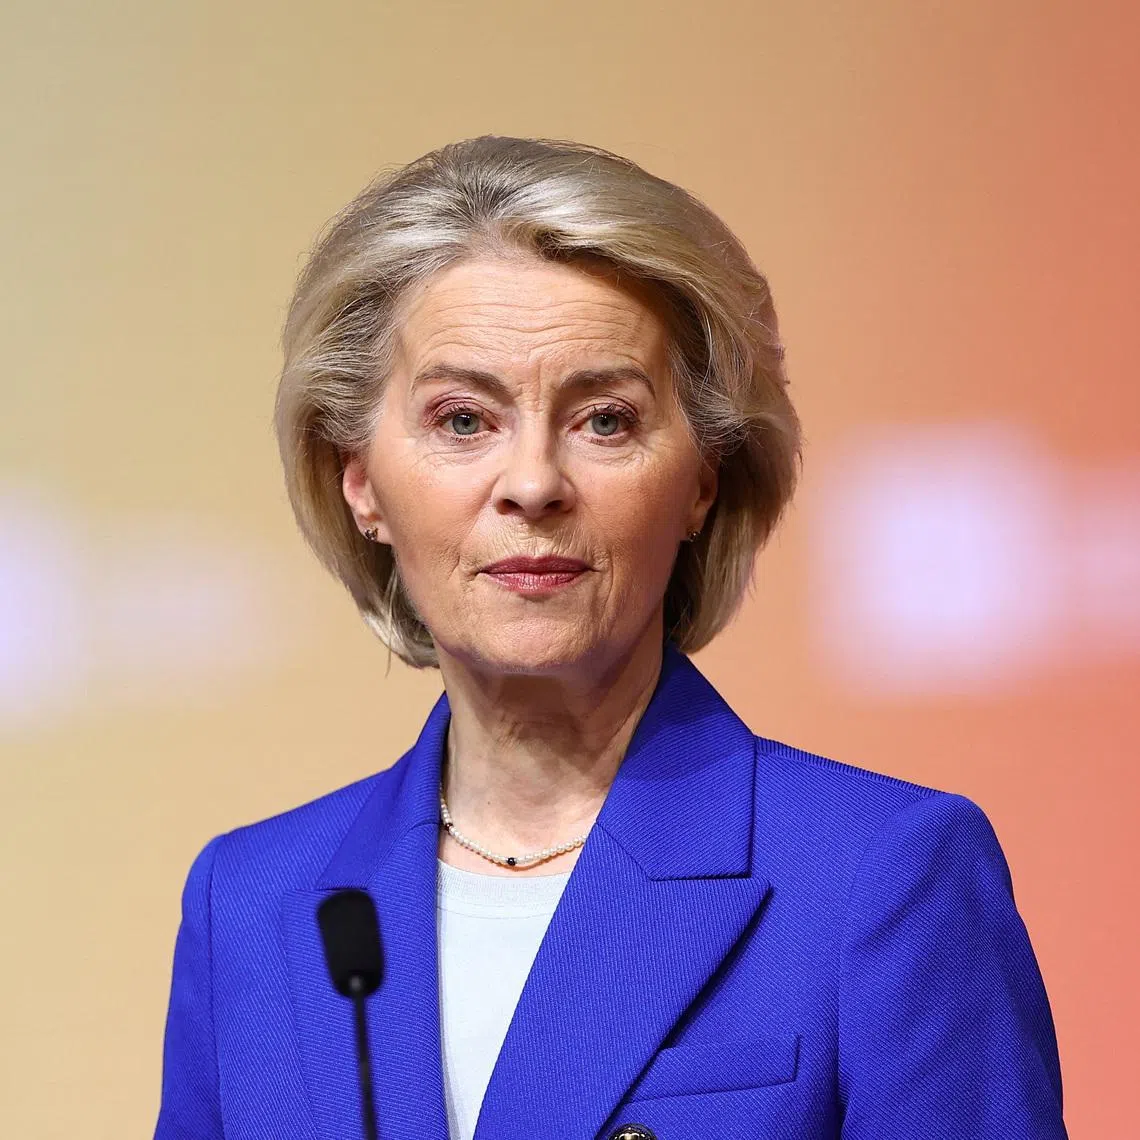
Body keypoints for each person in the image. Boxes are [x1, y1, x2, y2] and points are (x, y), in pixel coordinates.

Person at [154, 136, 1067, 1140]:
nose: (534, 482)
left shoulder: (884, 876)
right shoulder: (255, 904)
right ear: (359, 481)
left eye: (605, 420)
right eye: (463, 420)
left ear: (704, 480)